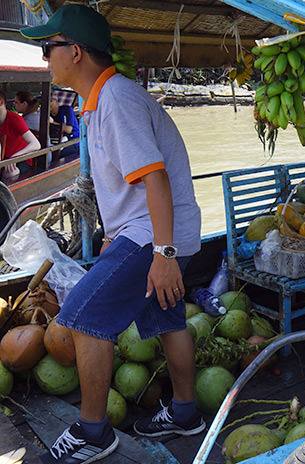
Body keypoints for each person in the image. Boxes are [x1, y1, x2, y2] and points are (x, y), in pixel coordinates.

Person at [21, 5, 204, 463]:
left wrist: (163, 252)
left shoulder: (116, 100)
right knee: (167, 318)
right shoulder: (100, 102)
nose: (46, 59)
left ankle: (93, 433)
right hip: (152, 230)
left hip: (154, 234)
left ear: (76, 52)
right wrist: (113, 235)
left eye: (49, 48)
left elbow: (155, 179)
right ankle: (185, 412)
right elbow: (126, 182)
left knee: (82, 317)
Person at [0, 89, 40, 178]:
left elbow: (36, 144)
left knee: (11, 173)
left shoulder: (15, 119)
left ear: (1, 103)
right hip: (4, 159)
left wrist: (15, 157)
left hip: (21, 159)